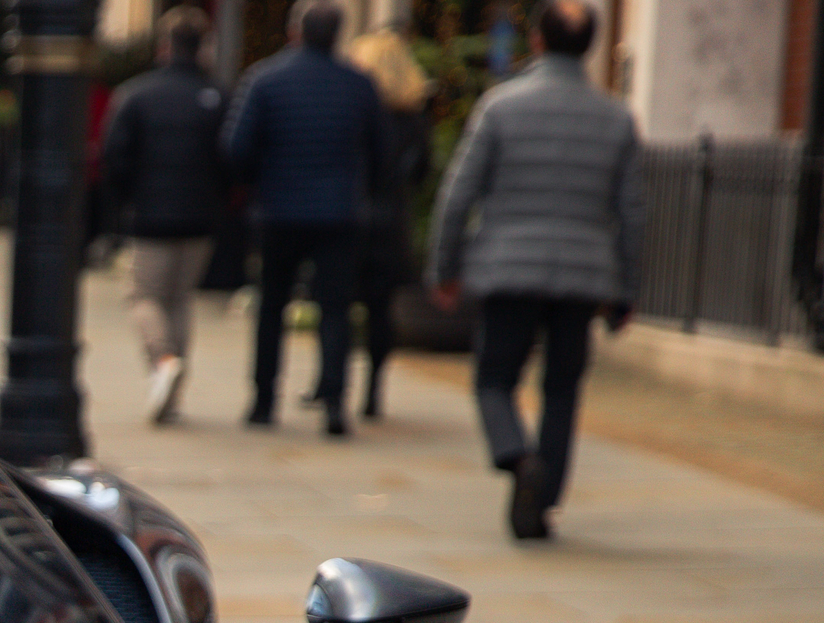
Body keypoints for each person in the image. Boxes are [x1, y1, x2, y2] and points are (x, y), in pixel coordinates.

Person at [428, 0, 642, 541]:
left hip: (508, 268)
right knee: (563, 388)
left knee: (495, 377)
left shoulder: (501, 107)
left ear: (537, 41)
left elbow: (458, 194)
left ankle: (516, 456)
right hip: (582, 276)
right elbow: (633, 214)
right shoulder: (616, 118)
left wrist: (445, 267)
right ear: (590, 47)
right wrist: (626, 291)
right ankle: (542, 502)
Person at [221, 0, 391, 437]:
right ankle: (334, 402)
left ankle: (263, 400)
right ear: (337, 35)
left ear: (295, 30)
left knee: (272, 305)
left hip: (279, 209)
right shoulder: (358, 84)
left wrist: (259, 181)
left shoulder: (264, 80)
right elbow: (382, 152)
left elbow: (236, 148)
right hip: (338, 213)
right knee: (334, 309)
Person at [100, 5, 228, 424]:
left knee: (145, 296)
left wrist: (124, 202)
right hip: (200, 216)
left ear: (164, 46)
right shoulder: (217, 96)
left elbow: (113, 156)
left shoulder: (136, 94)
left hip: (150, 214)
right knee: (179, 299)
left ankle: (163, 361)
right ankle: (171, 392)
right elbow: (232, 157)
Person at [339, 28, 430, 418]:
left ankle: (333, 386)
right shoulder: (413, 117)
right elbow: (421, 172)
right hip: (392, 223)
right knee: (380, 311)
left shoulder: (355, 112)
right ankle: (373, 390)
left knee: (338, 306)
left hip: (351, 219)